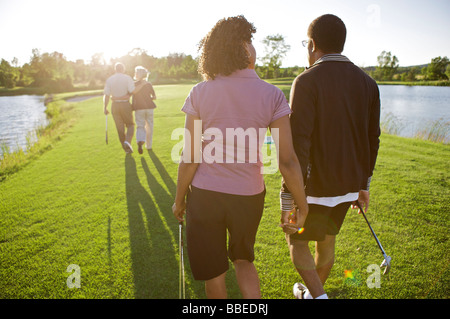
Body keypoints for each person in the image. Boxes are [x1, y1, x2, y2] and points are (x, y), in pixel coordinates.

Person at [172, 15, 309, 299]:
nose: (253, 48)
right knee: (244, 260)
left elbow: (190, 156)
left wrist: (179, 198)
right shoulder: (271, 94)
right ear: (242, 49)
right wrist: (302, 203)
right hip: (248, 196)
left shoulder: (200, 92)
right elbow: (287, 161)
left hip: (206, 195)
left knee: (215, 273)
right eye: (249, 42)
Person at [280, 14, 381, 299]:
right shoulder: (369, 83)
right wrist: (363, 186)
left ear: (312, 44)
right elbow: (372, 140)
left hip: (311, 191)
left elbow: (298, 144)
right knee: (326, 243)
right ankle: (312, 295)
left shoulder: (306, 80)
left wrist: (292, 198)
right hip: (347, 188)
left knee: (296, 243)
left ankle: (319, 297)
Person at [103, 62, 144, 153]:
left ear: (115, 69)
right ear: (123, 69)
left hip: (114, 106)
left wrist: (105, 107)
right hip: (125, 105)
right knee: (130, 125)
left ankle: (126, 149)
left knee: (119, 128)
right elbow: (132, 91)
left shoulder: (110, 79)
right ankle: (127, 142)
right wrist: (142, 85)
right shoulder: (127, 78)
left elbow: (106, 95)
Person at [132, 66, 157, 154]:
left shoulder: (134, 84)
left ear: (138, 74)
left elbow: (133, 92)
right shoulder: (148, 84)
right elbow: (154, 97)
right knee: (149, 127)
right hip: (149, 108)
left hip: (139, 108)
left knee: (140, 126)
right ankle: (148, 146)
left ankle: (140, 141)